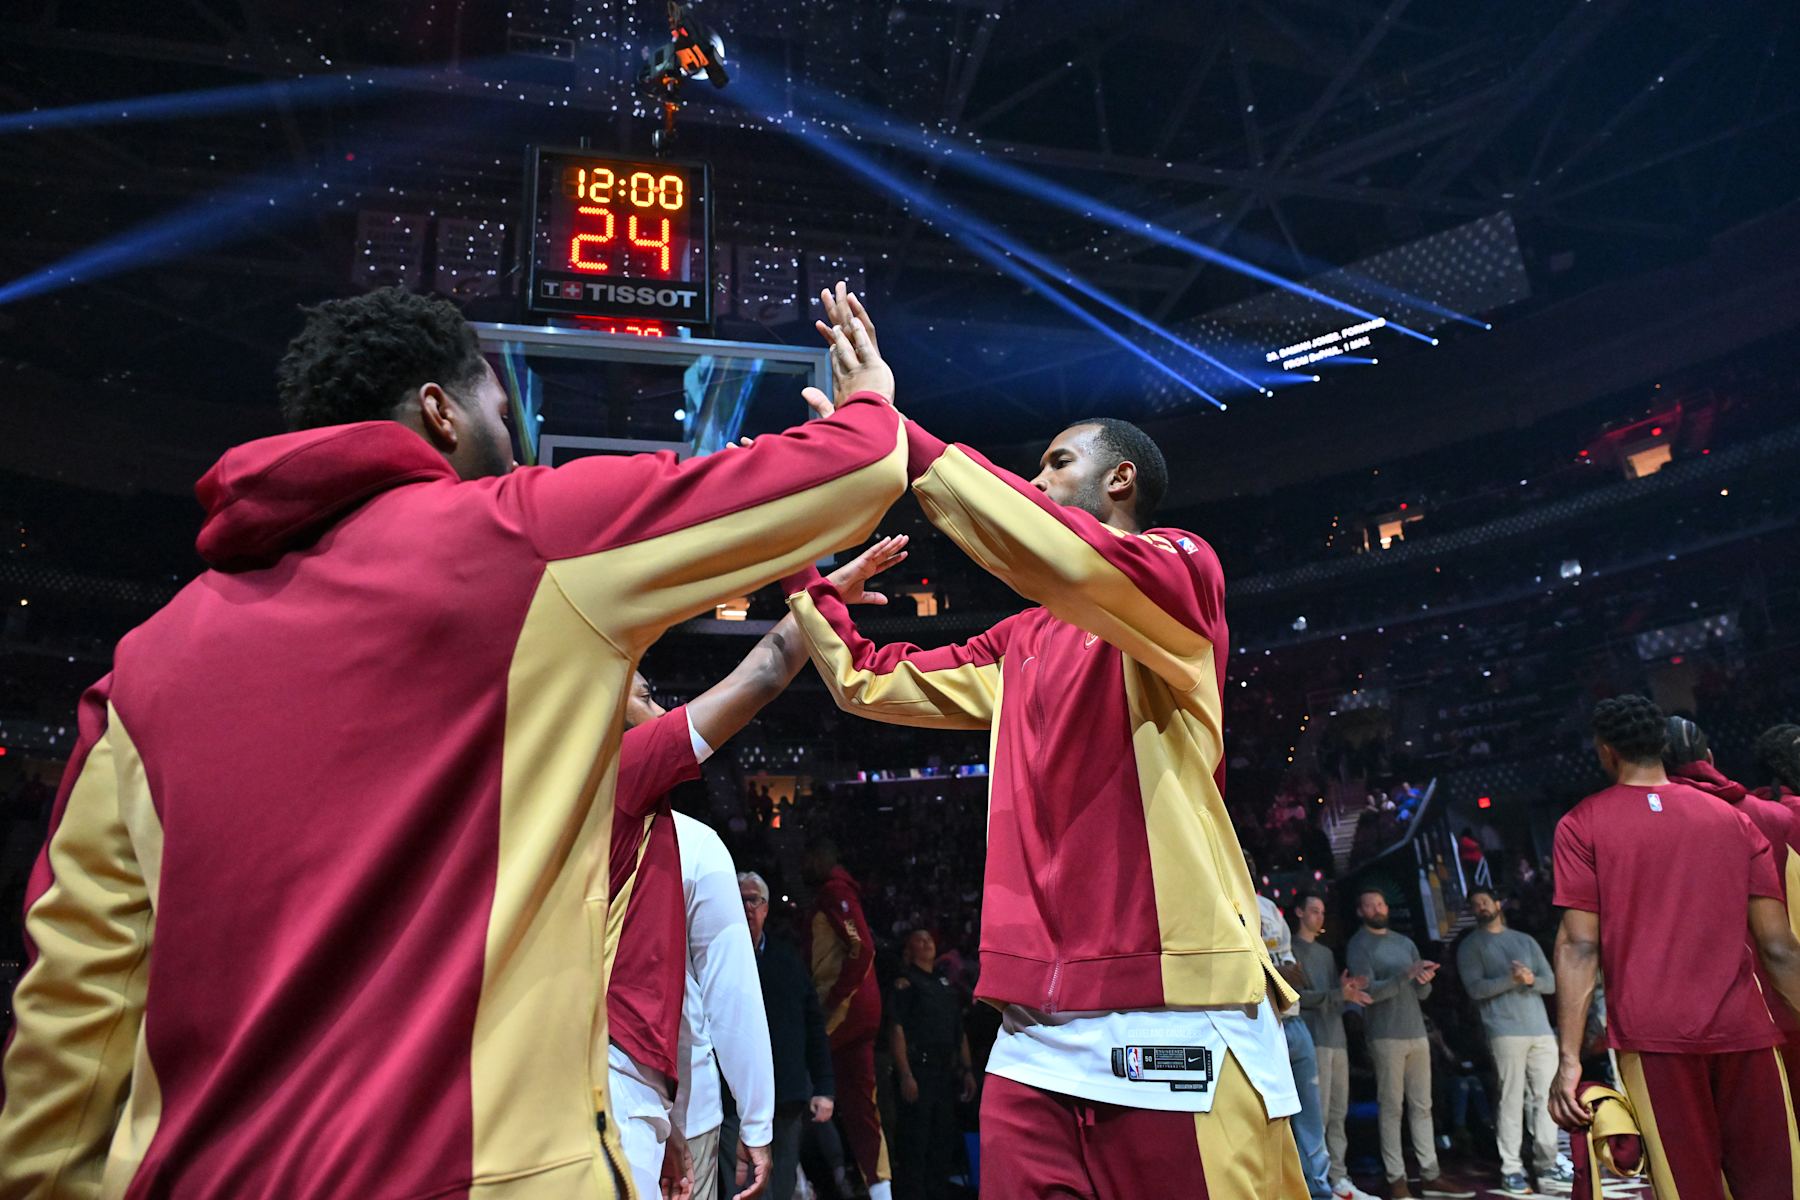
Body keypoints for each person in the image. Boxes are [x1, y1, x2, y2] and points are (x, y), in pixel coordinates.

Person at [0, 284, 914, 1198]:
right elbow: (859, 469)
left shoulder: (142, 669)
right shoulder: (520, 541)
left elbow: (72, 1031)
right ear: (438, 411)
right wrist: (868, 400)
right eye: (498, 407)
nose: (513, 438)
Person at [784, 290, 1305, 1198]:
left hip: (1173, 1009)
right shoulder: (1021, 641)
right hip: (1033, 1033)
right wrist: (805, 574)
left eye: (1058, 462)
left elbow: (1062, 556)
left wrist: (898, 437)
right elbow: (867, 679)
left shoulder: (1183, 572)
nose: (1037, 479)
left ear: (1120, 481)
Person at [609, 539, 906, 1200]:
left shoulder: (525, 793)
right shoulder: (626, 782)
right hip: (633, 1088)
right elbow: (766, 671)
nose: (659, 707)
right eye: (647, 693)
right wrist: (817, 592)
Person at [1550, 694, 1800, 1198]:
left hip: (1654, 1037)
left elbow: (1579, 946)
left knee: (1689, 1189)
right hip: (1747, 1028)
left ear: (1606, 751)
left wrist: (1570, 1059)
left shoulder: (1581, 824)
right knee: (1776, 1185)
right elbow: (1779, 949)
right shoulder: (1733, 818)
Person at [1664, 715, 1800, 1084]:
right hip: (1782, 990)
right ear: (1709, 754)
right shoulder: (1775, 816)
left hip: (1694, 1012)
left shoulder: (1642, 822)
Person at [1347, 889, 1470, 1199]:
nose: (1377, 908)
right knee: (1391, 1108)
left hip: (1415, 1030)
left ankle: (1431, 1174)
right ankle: (1397, 1178)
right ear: (1360, 911)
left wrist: (1422, 981)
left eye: (1380, 903)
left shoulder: (1405, 943)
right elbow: (1368, 993)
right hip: (1385, 1034)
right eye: (1369, 905)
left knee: (1423, 1106)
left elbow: (1421, 994)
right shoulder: (1359, 945)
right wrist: (1405, 976)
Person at [724, 871, 837, 1200]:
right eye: (740, 899)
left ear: (766, 908)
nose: (747, 906)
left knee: (782, 1188)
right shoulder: (715, 958)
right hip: (733, 1101)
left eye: (753, 900)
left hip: (785, 1098)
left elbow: (814, 1027)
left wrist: (825, 1088)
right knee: (747, 1192)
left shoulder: (788, 961)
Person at [1454, 887, 1566, 1195]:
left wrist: (1530, 980)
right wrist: (1511, 980)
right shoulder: (1471, 946)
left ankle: (1547, 1163)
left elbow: (1551, 982)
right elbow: (1475, 989)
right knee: (1511, 1099)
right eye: (1475, 905)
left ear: (1498, 904)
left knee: (1547, 1098)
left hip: (1540, 1028)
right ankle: (1512, 1168)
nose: (1481, 907)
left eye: (1485, 902)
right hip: (1504, 1030)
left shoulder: (1525, 940)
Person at [803, 839, 893, 1200]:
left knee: (793, 1083)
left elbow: (863, 946)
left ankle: (805, 1183)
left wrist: (836, 997)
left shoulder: (835, 893)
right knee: (859, 1108)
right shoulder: (834, 893)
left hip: (845, 1014)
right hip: (854, 1014)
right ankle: (875, 1188)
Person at [1251, 860, 1333, 1200]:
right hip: (1261, 1024)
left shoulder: (1268, 906)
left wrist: (1284, 971)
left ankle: (1320, 1189)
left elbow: (1286, 962)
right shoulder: (1224, 903)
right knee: (1269, 1117)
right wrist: (1278, 973)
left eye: (1249, 862)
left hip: (1294, 1021)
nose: (1246, 865)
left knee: (1311, 1117)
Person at [1293, 891, 1377, 1200]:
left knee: (1338, 1111)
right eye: (1314, 911)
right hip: (1313, 1038)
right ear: (1299, 912)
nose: (1319, 916)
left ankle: (1339, 1176)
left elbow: (1333, 995)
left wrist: (1348, 994)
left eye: (1322, 912)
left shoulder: (1326, 954)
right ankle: (1315, 1180)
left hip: (1335, 1038)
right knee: (1318, 1115)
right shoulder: (1291, 949)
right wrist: (1338, 995)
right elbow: (1298, 998)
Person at [887, 929, 976, 1200]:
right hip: (919, 1070)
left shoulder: (944, 984)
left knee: (943, 1138)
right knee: (916, 1141)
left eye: (929, 938)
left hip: (945, 1073)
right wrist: (905, 1074)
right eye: (919, 939)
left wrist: (968, 1070)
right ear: (908, 950)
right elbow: (896, 1029)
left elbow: (958, 1032)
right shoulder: (905, 984)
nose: (927, 942)